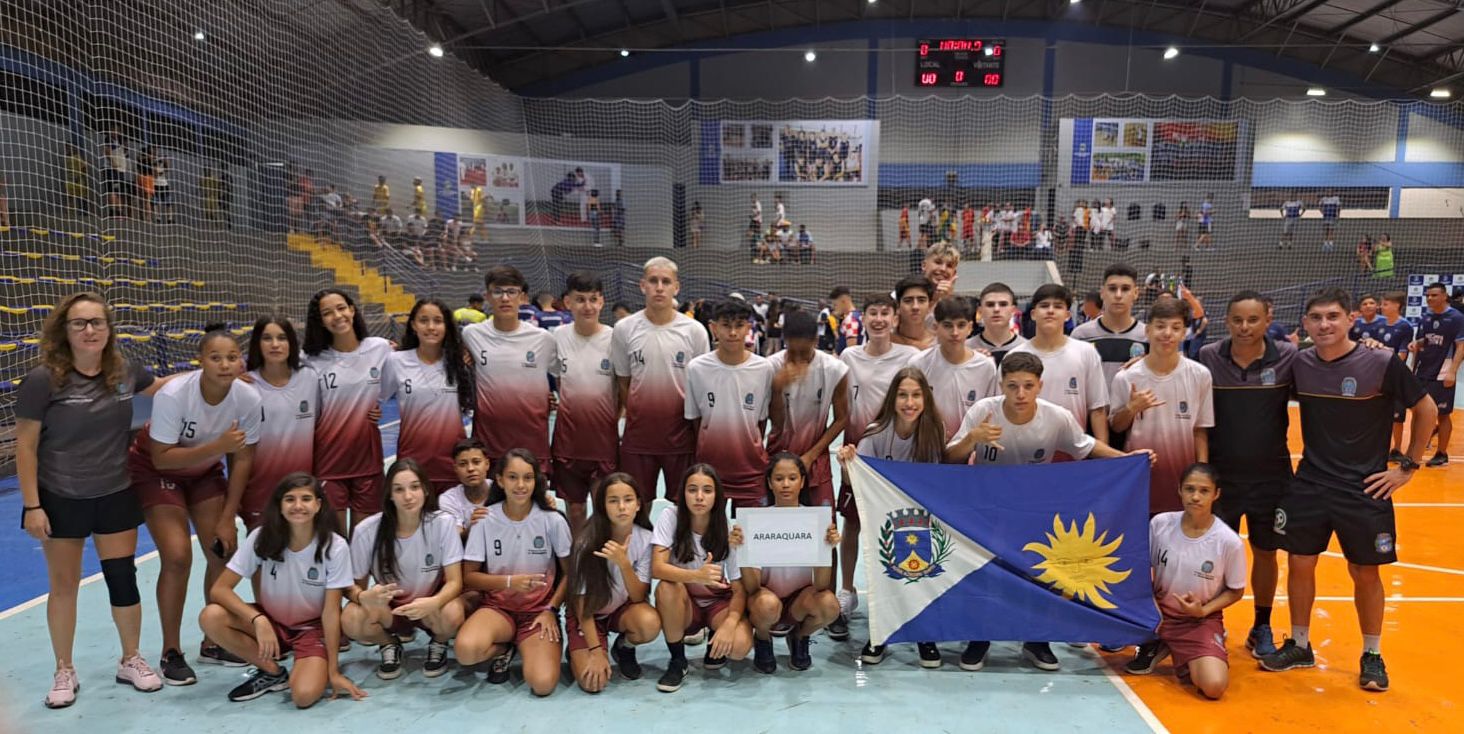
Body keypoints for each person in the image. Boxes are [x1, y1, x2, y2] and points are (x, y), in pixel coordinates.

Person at [1259, 288, 1437, 692]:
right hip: (1311, 482)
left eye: (1333, 317)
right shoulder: (1300, 363)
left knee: (1365, 571)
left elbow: (1425, 409)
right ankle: (1300, 644)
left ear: (1351, 319)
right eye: (1317, 318)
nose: (1325, 324)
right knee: (1300, 564)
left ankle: (1372, 654)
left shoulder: (1379, 360)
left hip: (1364, 487)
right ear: (1305, 324)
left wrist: (1407, 466)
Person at [945, 352, 1153, 671]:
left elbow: (1087, 447)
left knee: (1039, 574)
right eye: (1012, 386)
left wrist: (1128, 459)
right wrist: (972, 439)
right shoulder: (983, 412)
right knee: (988, 575)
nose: (1020, 394)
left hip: (1034, 511)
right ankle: (980, 636)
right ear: (1001, 384)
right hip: (989, 512)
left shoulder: (1056, 417)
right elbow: (949, 459)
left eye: (1028, 386)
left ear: (1040, 385)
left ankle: (1036, 640)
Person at [16, 293, 172, 707]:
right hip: (60, 496)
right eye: (79, 323)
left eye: (97, 323)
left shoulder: (124, 371)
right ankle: (64, 669)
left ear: (108, 329)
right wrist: (33, 506)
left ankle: (131, 659)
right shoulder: (43, 380)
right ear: (64, 331)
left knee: (122, 577)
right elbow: (26, 447)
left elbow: (168, 391)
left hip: (115, 491)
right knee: (64, 585)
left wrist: (223, 376)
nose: (89, 330)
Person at [129, 325, 262, 684]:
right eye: (215, 358)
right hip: (158, 470)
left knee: (221, 548)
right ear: (200, 361)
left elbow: (244, 459)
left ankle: (213, 641)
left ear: (241, 361)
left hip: (204, 473)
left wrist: (227, 516)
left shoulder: (248, 399)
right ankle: (170, 651)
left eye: (232, 357)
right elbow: (162, 458)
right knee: (176, 556)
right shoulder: (175, 395)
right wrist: (218, 445)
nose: (224, 364)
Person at [197, 473, 364, 706]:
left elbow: (331, 611)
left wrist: (334, 672)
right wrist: (258, 620)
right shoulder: (262, 537)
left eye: (306, 499)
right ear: (280, 505)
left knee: (303, 697)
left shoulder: (334, 546)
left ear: (318, 505)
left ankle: (315, 665)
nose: (298, 506)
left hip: (311, 629)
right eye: (290, 499)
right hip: (272, 623)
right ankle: (272, 673)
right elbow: (220, 590)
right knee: (211, 616)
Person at [1196, 291, 1296, 657]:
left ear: (1268, 320)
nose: (1245, 327)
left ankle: (1262, 624)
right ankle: (1210, 625)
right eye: (1238, 319)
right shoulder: (1209, 356)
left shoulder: (1287, 357)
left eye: (1253, 320)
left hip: (1272, 478)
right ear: (1227, 321)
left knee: (1266, 552)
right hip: (1223, 478)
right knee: (1214, 554)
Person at [839, 368, 947, 667]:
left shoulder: (934, 431)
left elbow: (936, 480)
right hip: (884, 521)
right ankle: (881, 635)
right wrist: (846, 464)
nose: (909, 402)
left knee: (923, 575)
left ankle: (925, 634)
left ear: (925, 398)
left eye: (915, 395)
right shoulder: (875, 432)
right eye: (902, 395)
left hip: (921, 520)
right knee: (885, 578)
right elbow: (852, 481)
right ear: (892, 398)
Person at [831, 294, 919, 638]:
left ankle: (900, 593)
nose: (879, 319)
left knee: (901, 526)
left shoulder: (912, 357)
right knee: (852, 523)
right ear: (862, 319)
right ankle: (848, 592)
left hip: (902, 458)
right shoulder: (848, 357)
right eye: (873, 313)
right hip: (858, 454)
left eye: (885, 313)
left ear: (895, 319)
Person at [1123, 464, 1246, 700]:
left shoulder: (1228, 542)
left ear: (1216, 494)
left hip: (1197, 621)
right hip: (1155, 613)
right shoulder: (1160, 524)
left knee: (1214, 687)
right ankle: (1159, 640)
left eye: (1204, 491)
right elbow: (1139, 568)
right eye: (1189, 489)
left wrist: (1203, 610)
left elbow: (1236, 591)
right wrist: (1149, 602)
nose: (1196, 497)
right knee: (1108, 637)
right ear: (1179, 490)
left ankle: (1172, 646)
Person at [455, 449, 572, 695]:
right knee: (466, 652)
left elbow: (570, 574)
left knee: (542, 685)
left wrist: (551, 609)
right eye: (512, 477)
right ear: (499, 480)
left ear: (536, 480)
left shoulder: (553, 521)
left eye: (527, 478)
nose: (521, 485)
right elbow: (470, 576)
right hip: (498, 609)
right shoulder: (486, 519)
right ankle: (504, 649)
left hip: (538, 614)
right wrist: (509, 582)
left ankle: (529, 644)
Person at [342, 459, 466, 680]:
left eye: (415, 487)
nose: (408, 496)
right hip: (390, 610)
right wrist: (364, 596)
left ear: (426, 490)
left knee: (454, 613)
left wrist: (434, 602)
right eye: (399, 490)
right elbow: (352, 588)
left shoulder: (442, 524)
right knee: (350, 618)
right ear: (389, 494)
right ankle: (389, 644)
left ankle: (438, 643)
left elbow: (455, 582)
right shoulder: (366, 531)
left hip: (429, 606)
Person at [612, 257, 711, 504]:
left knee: (684, 508)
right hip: (639, 437)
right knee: (635, 505)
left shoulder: (695, 330)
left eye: (665, 282)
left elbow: (701, 387)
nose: (659, 287)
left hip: (682, 437)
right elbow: (623, 383)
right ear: (642, 285)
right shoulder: (624, 329)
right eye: (653, 281)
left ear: (676, 287)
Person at [652, 464, 753, 692]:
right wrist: (696, 576)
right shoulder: (670, 517)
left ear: (717, 496)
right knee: (666, 588)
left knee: (739, 646)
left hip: (716, 603)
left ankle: (715, 640)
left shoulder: (727, 529)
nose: (699, 497)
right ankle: (678, 660)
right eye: (692, 489)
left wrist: (729, 624)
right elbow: (656, 568)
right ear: (682, 493)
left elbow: (738, 589)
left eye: (707, 490)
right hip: (686, 604)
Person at [1109, 297, 1213, 514]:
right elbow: (1116, 427)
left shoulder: (1200, 375)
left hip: (1183, 485)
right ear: (1147, 331)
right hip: (1140, 480)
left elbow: (1200, 429)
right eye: (1160, 326)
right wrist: (1131, 408)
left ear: (1184, 332)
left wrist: (1202, 473)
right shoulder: (1126, 377)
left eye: (1175, 328)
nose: (1167, 333)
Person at [743, 453, 841, 673]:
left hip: (800, 602)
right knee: (765, 605)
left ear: (803, 481)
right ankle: (762, 639)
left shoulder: (817, 521)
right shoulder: (756, 521)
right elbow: (751, 588)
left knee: (830, 605)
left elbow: (822, 585)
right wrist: (743, 552)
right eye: (778, 479)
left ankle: (800, 636)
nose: (785, 485)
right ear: (769, 482)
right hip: (767, 599)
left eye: (792, 478)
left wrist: (826, 548)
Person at [564, 473, 663, 691]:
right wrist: (596, 650)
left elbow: (638, 596)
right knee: (593, 684)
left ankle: (624, 647)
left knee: (649, 623)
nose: (621, 507)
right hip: (588, 615)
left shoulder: (646, 538)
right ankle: (578, 647)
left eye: (628, 500)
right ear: (603, 506)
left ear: (638, 504)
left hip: (620, 610)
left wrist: (624, 563)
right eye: (613, 501)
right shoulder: (585, 542)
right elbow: (582, 607)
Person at [304, 288, 391, 532]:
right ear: (320, 321)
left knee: (364, 543)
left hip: (369, 461)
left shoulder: (380, 348)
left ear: (352, 310)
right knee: (335, 544)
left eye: (341, 308)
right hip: (328, 463)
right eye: (327, 313)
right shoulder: (310, 359)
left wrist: (380, 406)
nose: (337, 316)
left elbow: (411, 367)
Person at [462, 266, 557, 467]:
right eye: (498, 292)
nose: (505, 298)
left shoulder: (543, 339)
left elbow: (567, 376)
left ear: (522, 297)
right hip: (489, 445)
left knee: (531, 498)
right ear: (487, 296)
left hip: (532, 443)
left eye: (511, 292)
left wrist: (552, 399)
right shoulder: (471, 335)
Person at [685, 299, 775, 508]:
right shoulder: (696, 369)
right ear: (713, 328)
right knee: (710, 537)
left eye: (739, 325)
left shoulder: (764, 369)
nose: (733, 332)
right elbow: (695, 421)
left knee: (751, 536)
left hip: (751, 470)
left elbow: (760, 422)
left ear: (748, 328)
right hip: (709, 471)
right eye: (726, 325)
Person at [552, 272, 620, 536]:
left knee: (603, 508)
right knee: (576, 511)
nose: (588, 306)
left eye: (593, 299)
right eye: (580, 300)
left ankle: (600, 563)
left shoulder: (615, 339)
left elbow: (623, 388)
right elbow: (559, 382)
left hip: (603, 441)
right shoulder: (556, 337)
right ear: (567, 302)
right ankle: (578, 559)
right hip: (568, 441)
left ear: (602, 301)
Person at [382, 298, 473, 491]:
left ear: (447, 326)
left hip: (453, 460)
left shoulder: (459, 361)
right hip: (413, 459)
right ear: (414, 324)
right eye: (424, 320)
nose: (431, 327)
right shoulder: (396, 361)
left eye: (438, 321)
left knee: (452, 520)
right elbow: (375, 397)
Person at [768, 310, 849, 510]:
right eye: (792, 352)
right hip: (778, 454)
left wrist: (811, 455)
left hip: (815, 455)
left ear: (815, 340)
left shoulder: (835, 369)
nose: (798, 358)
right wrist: (777, 390)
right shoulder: (770, 367)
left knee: (824, 530)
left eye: (804, 352)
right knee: (772, 526)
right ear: (785, 340)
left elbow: (842, 418)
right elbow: (775, 424)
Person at [242, 317, 318, 530]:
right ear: (257, 343)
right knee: (262, 557)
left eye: (282, 338)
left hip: (301, 491)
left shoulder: (309, 378)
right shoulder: (245, 387)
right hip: (260, 491)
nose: (275, 345)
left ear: (291, 342)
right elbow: (237, 451)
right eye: (267, 338)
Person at [1009, 284, 1110, 444]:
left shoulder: (1086, 352)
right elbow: (1005, 410)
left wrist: (1105, 459)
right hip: (1025, 452)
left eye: (1058, 306)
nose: (1050, 310)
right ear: (1033, 314)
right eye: (1044, 306)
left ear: (1068, 315)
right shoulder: (1015, 356)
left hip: (1073, 454)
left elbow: (1097, 409)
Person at [911, 297, 999, 441]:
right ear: (935, 327)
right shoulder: (918, 364)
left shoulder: (986, 367)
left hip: (970, 448)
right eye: (947, 325)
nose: (955, 332)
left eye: (961, 325)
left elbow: (990, 413)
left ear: (970, 327)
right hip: (926, 446)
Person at [1409, 282, 1464, 466]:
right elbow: (1423, 341)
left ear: (1444, 296)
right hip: (1423, 370)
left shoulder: (1456, 317)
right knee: (1418, 412)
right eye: (1428, 296)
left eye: (1434, 295)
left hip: (1443, 372)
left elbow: (1461, 346)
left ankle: (1441, 454)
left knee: (1442, 414)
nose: (1430, 299)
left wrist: (1453, 372)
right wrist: (1415, 352)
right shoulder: (1425, 317)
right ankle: (1413, 451)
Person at [1072, 263, 1148, 388]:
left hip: (1134, 407)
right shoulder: (1081, 335)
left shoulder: (1148, 336)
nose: (1118, 295)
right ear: (1102, 293)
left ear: (1136, 293)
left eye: (1125, 289)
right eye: (1112, 289)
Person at [1374, 293, 1416, 461]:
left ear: (1397, 305)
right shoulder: (1379, 324)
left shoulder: (1405, 326)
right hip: (1377, 374)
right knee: (1378, 413)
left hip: (1395, 375)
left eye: (1385, 304)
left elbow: (1403, 354)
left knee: (1397, 416)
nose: (1381, 307)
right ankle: (1378, 447)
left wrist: (1389, 370)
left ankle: (1397, 448)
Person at [969, 283, 1026, 366]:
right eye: (990, 305)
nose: (996, 309)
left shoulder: (1026, 348)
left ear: (1013, 310)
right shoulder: (965, 349)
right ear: (980, 311)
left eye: (1003, 304)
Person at [892, 276, 936, 350]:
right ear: (898, 306)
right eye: (908, 301)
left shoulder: (939, 343)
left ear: (930, 306)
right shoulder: (885, 342)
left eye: (921, 300)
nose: (915, 307)